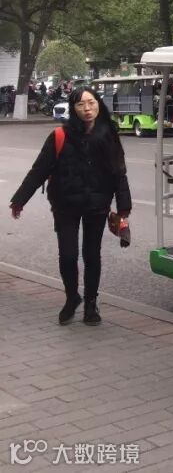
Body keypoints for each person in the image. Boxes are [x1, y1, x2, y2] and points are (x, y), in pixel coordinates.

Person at [9, 86, 133, 325]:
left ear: (98, 104)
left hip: (97, 205)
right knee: (68, 256)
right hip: (65, 205)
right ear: (73, 108)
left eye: (91, 102)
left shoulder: (108, 134)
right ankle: (71, 297)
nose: (87, 109)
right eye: (80, 104)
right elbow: (39, 170)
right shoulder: (59, 136)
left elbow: (119, 172)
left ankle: (90, 304)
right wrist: (20, 200)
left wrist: (123, 207)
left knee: (91, 255)